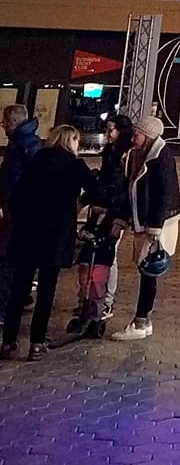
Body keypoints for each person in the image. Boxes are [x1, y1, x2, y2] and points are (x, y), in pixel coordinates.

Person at [1, 125, 97, 361]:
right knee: (46, 291)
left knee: (19, 289)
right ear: (72, 141)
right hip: (55, 237)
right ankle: (36, 343)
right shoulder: (75, 166)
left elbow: (17, 195)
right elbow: (97, 190)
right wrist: (80, 203)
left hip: (28, 233)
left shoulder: (38, 161)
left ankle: (8, 343)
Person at [110, 116, 180, 341]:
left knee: (149, 269)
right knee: (145, 267)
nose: (134, 138)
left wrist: (155, 228)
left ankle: (141, 321)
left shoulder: (161, 158)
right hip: (145, 220)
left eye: (138, 134)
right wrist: (122, 218)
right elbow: (131, 189)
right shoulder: (136, 155)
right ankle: (143, 320)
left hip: (157, 223)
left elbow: (164, 194)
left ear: (149, 136)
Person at [67, 114, 132, 331]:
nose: (107, 133)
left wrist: (117, 214)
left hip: (114, 210)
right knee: (93, 255)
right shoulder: (110, 153)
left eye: (111, 129)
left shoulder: (126, 155)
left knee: (108, 256)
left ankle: (104, 302)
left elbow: (121, 186)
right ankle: (88, 300)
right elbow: (104, 180)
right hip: (101, 207)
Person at [0, 105, 41, 324]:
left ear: (14, 122)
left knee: (8, 257)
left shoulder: (24, 145)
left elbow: (18, 178)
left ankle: (6, 305)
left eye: (5, 122)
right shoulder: (23, 143)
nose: (4, 126)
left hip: (17, 210)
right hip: (16, 208)